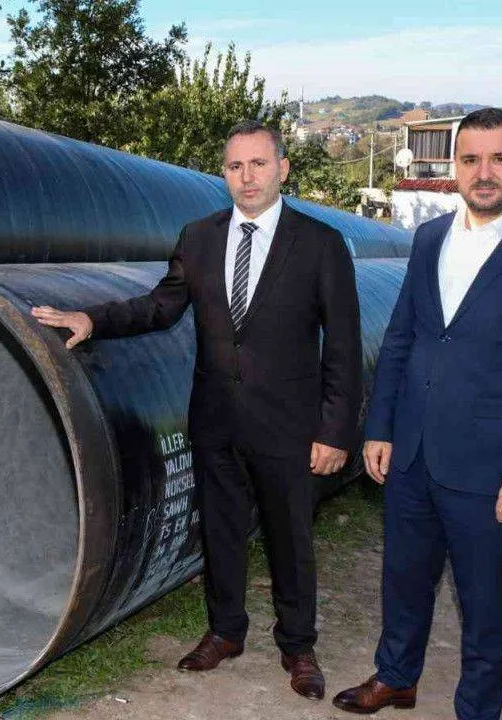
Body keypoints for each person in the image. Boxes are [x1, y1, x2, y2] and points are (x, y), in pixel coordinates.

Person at [30, 120, 362, 702]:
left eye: (258, 164)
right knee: (221, 530)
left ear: (283, 169)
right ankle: (225, 632)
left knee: (290, 539)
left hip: (289, 425)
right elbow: (161, 307)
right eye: (235, 166)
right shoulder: (199, 237)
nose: (247, 176)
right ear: (224, 174)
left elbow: (343, 344)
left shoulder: (320, 243)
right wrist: (92, 319)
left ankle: (298, 646)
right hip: (215, 419)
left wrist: (334, 431)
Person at [333, 108, 502, 719]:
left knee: (482, 604)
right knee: (402, 580)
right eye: (471, 159)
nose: (484, 172)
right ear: (454, 166)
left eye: (499, 159)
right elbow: (402, 338)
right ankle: (396, 677)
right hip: (413, 453)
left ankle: (477, 709)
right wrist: (380, 427)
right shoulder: (430, 239)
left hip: (493, 470)